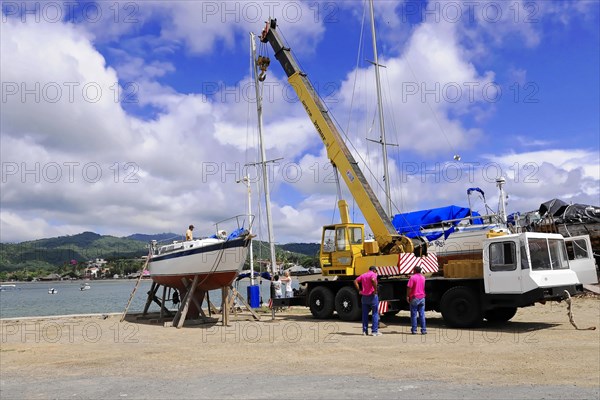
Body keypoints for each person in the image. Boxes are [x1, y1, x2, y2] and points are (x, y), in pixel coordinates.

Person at [354, 266, 381, 336]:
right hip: (372, 296)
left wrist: (359, 290)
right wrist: (375, 290)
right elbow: (372, 280)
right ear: (374, 270)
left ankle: (364, 331)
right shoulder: (373, 274)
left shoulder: (363, 275)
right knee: (375, 313)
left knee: (365, 314)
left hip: (364, 297)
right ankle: (374, 331)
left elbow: (355, 281)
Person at [406, 266, 427, 334]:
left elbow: (409, 287)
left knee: (414, 314)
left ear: (414, 270)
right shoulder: (423, 277)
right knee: (422, 314)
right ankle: (423, 330)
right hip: (422, 297)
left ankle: (414, 330)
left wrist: (407, 296)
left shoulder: (412, 278)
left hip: (415, 297)